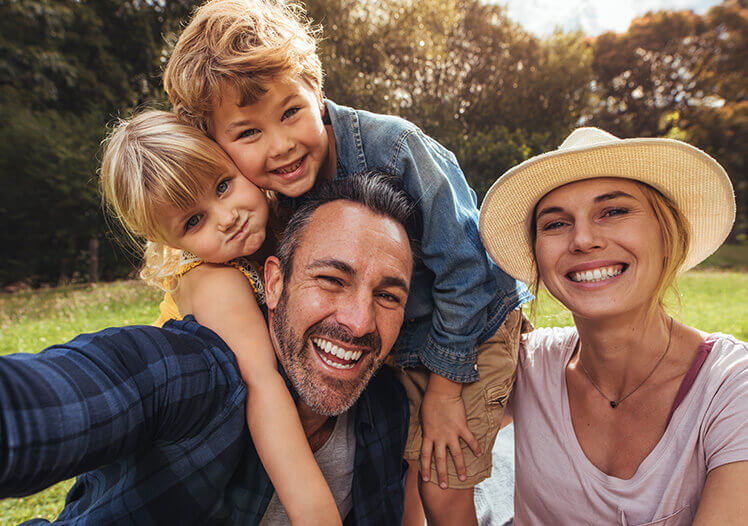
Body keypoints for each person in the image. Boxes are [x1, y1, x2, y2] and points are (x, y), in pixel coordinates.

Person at [162, 2, 532, 523]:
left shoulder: (397, 149)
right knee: (402, 467)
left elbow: (470, 269)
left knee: (442, 478)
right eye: (248, 134)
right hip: (395, 342)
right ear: (217, 143)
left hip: (472, 332)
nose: (281, 144)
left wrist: (446, 391)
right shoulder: (263, 203)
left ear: (316, 90)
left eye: (291, 112)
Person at [0, 174, 415, 525]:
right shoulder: (200, 374)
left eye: (388, 296)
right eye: (330, 279)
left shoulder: (388, 407)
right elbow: (75, 394)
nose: (359, 321)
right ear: (273, 282)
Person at [479, 127, 747, 525]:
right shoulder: (526, 366)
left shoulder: (729, 387)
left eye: (614, 211)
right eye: (555, 224)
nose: (583, 239)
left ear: (667, 232)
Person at [100, 109, 341, 524]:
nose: (227, 217)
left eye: (223, 185)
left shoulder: (278, 225)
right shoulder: (215, 282)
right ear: (165, 240)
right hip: (174, 469)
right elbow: (263, 392)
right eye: (195, 221)